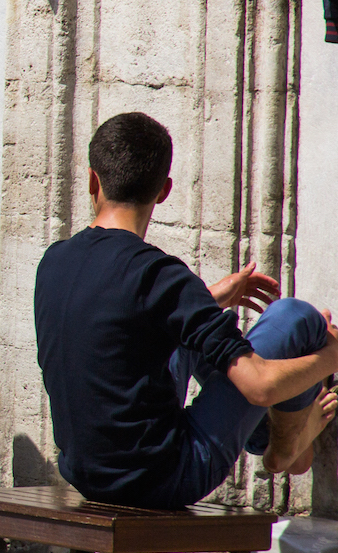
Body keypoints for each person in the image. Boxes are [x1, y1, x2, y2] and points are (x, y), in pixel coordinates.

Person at [34, 112, 337, 510]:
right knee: (295, 318)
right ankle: (286, 447)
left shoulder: (54, 261)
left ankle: (271, 432)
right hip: (164, 478)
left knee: (181, 336)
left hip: (85, 474)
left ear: (93, 180)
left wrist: (204, 300)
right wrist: (331, 354)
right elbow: (259, 384)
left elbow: (118, 321)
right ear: (164, 190)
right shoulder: (159, 275)